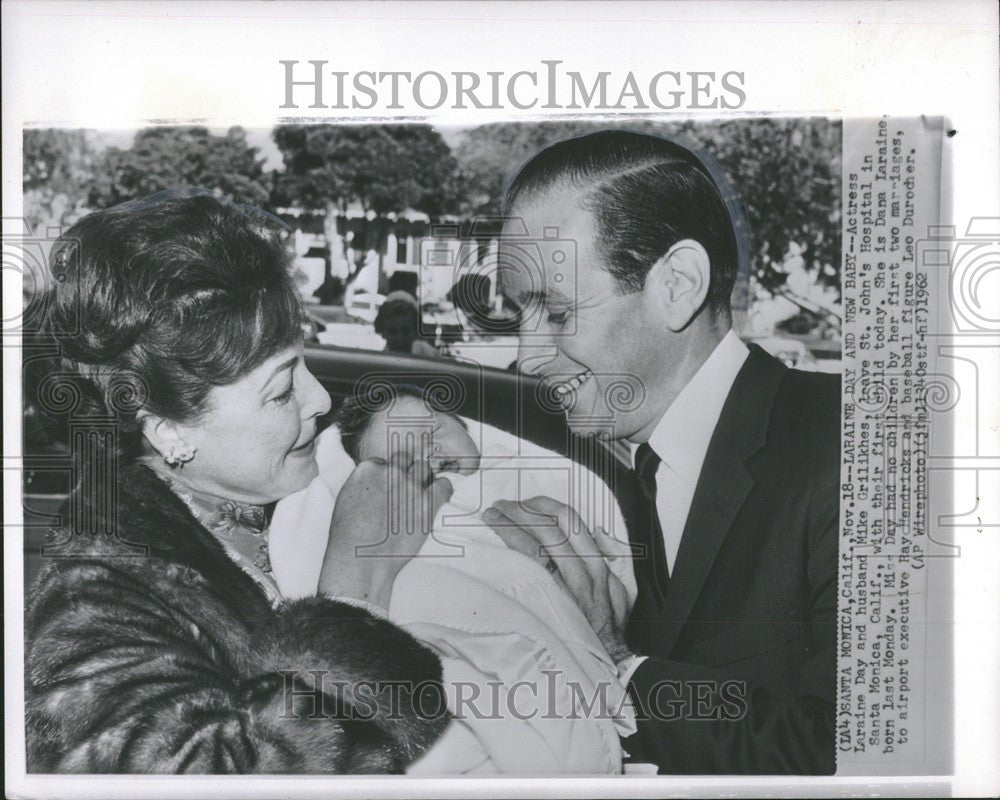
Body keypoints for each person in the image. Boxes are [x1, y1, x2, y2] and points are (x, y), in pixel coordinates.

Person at [24, 195, 454, 773]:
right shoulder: (91, 598)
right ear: (169, 430)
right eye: (281, 390)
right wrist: (353, 590)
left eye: (304, 365)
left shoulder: (282, 494)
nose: (321, 399)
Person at [482, 130, 839, 774]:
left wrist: (616, 665)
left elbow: (850, 758)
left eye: (557, 312)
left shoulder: (848, 449)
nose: (529, 356)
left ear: (678, 284)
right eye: (520, 313)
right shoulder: (627, 468)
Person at [331, 387, 638, 774]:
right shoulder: (416, 523)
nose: (427, 458)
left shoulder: (523, 477)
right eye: (402, 461)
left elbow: (607, 560)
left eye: (431, 433)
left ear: (467, 428)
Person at [374, 291, 441, 357]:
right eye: (392, 331)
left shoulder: (433, 356)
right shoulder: (376, 364)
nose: (399, 339)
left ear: (416, 331)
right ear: (382, 331)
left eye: (406, 331)